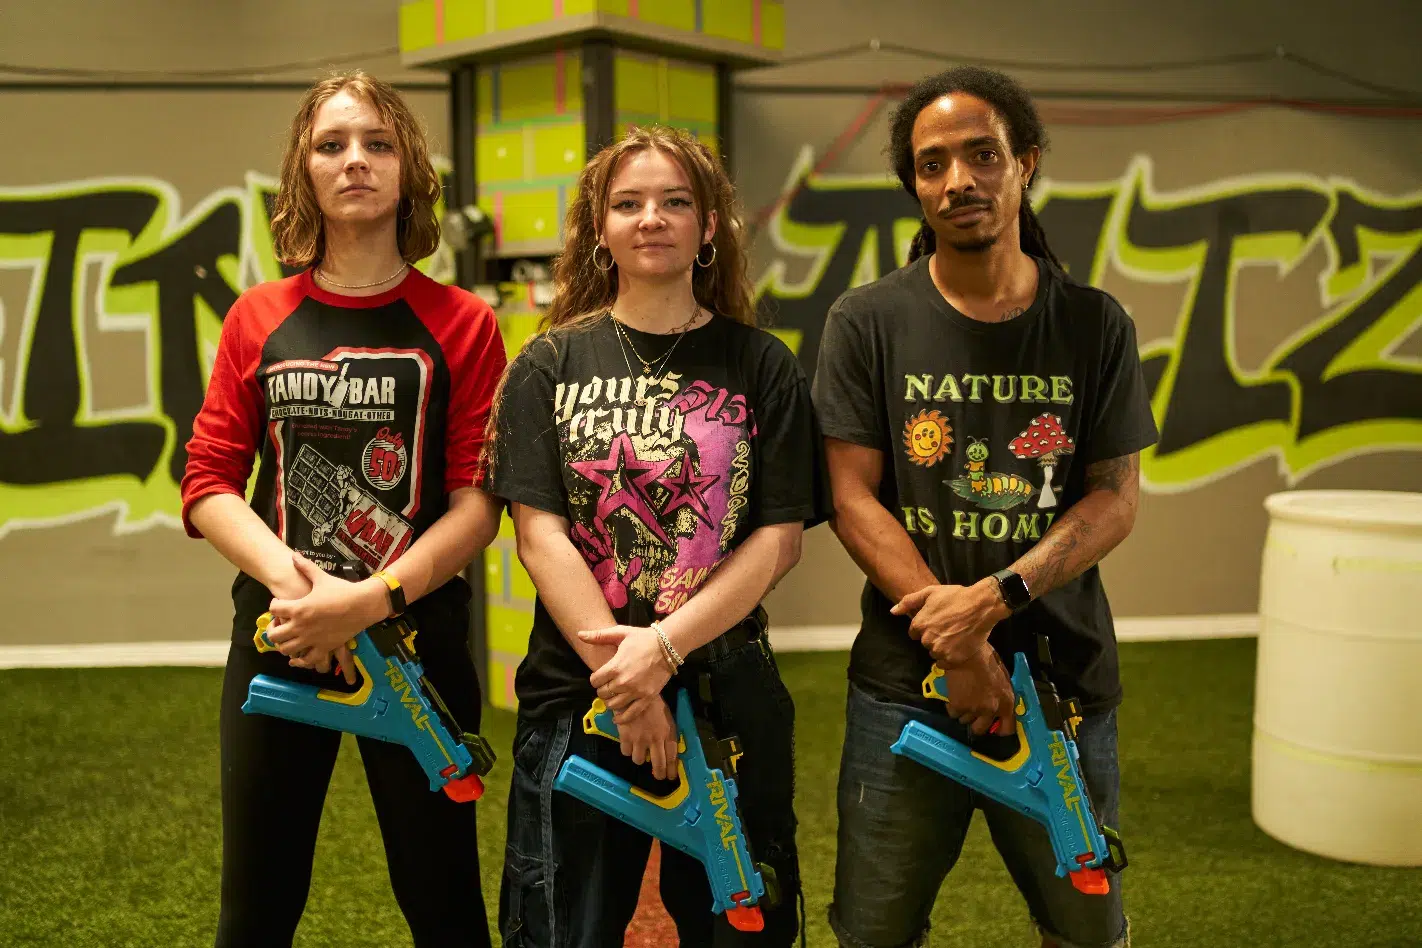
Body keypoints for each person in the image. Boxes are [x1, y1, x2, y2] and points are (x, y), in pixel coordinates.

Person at [812, 66, 1158, 948]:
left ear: (1025, 163)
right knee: (873, 931)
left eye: (982, 155)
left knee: (1086, 929)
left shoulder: (1094, 323)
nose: (959, 180)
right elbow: (851, 498)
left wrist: (994, 601)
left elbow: (1114, 500)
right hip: (905, 685)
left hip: (1064, 679)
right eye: (933, 165)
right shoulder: (867, 320)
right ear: (916, 189)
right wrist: (956, 641)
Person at [179, 70, 508, 947]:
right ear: (304, 171)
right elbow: (209, 481)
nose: (355, 161)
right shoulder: (258, 316)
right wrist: (308, 596)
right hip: (280, 633)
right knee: (256, 908)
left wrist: (366, 602)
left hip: (418, 638)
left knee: (445, 906)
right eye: (332, 145)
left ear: (410, 171)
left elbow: (478, 504)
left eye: (378, 143)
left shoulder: (466, 322)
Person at [485, 124, 829, 948]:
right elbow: (540, 537)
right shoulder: (548, 363)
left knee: (745, 924)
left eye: (676, 202)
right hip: (579, 695)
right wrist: (627, 681)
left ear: (710, 226)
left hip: (725, 693)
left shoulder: (761, 364)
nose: (652, 219)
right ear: (599, 229)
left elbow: (778, 539)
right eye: (628, 203)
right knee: (560, 930)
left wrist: (664, 651)